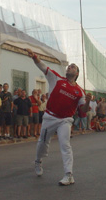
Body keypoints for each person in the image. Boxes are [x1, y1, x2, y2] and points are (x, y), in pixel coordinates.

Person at [26, 48, 91, 186]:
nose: (70, 67)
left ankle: (69, 175)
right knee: (42, 143)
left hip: (65, 121)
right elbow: (43, 66)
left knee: (65, 145)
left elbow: (83, 111)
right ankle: (38, 161)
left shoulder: (80, 92)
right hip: (49, 117)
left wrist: (89, 101)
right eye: (69, 66)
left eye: (73, 67)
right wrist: (34, 57)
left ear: (77, 73)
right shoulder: (56, 78)